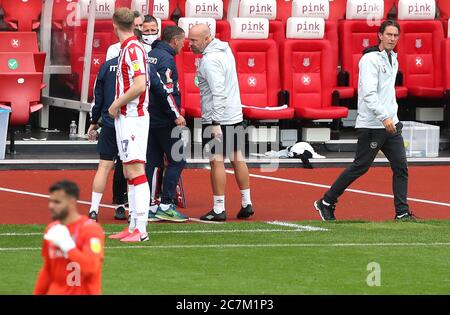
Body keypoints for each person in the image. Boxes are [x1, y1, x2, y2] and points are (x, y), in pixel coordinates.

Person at [314, 20, 415, 222]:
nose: (392, 39)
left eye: (396, 36)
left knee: (401, 167)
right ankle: (326, 201)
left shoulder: (393, 58)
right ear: (380, 35)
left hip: (391, 124)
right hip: (372, 125)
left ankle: (402, 212)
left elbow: (387, 93)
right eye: (389, 35)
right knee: (360, 166)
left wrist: (392, 118)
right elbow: (368, 94)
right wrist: (384, 117)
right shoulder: (370, 61)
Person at [188, 24, 254, 222]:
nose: (189, 44)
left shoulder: (210, 60)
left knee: (216, 161)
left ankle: (218, 208)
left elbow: (218, 92)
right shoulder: (225, 50)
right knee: (237, 157)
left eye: (194, 40)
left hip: (218, 118)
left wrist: (215, 122)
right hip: (234, 114)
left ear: (207, 39)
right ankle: (246, 202)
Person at [108, 8, 150, 242]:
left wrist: (115, 104)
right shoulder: (128, 48)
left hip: (134, 116)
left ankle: (141, 229)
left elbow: (139, 85)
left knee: (135, 169)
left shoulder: (133, 49)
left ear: (114, 26)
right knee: (128, 170)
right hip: (127, 117)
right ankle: (133, 224)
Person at [146, 25, 188, 222]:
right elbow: (165, 91)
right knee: (177, 160)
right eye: (183, 41)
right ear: (175, 41)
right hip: (165, 119)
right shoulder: (167, 59)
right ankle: (165, 204)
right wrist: (176, 116)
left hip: (150, 116)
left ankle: (150, 206)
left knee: (153, 162)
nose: (184, 45)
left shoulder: (151, 54)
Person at [34, 181, 105, 295]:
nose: (51, 206)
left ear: (71, 202)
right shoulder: (52, 229)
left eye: (57, 202)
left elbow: (90, 268)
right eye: (50, 201)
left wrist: (68, 247)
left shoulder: (91, 230)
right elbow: (48, 270)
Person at [87, 56, 128, 222]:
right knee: (128, 168)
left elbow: (98, 96)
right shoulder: (139, 66)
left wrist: (94, 121)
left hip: (110, 124)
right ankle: (125, 208)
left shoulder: (107, 66)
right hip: (129, 124)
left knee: (103, 167)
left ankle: (93, 209)